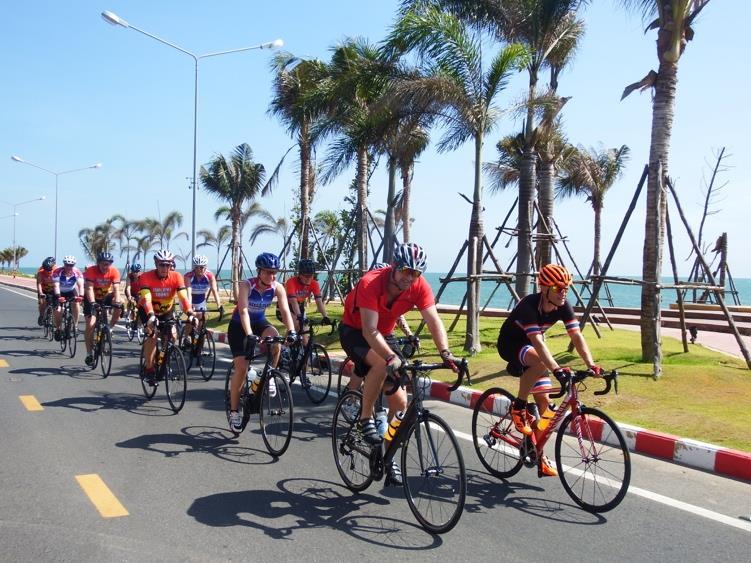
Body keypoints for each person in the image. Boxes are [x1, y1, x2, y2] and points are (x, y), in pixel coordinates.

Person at [338, 243, 460, 486]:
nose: (410, 277)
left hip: (385, 333)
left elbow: (433, 320)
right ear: (394, 267)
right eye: (405, 270)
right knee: (382, 365)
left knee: (402, 403)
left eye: (416, 273)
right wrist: (391, 357)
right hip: (355, 331)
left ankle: (387, 454)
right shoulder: (371, 282)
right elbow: (369, 330)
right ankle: (364, 419)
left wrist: (446, 353)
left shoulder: (419, 286)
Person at [497, 263, 603, 478]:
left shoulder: (563, 306)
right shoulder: (529, 305)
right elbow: (538, 342)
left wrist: (591, 364)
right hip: (511, 345)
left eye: (566, 288)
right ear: (544, 289)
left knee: (547, 412)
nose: (563, 293)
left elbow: (576, 336)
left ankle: (537, 453)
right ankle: (519, 406)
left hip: (534, 353)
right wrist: (556, 369)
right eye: (558, 288)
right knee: (543, 362)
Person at [227, 252, 296, 433]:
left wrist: (292, 331)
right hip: (238, 326)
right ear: (259, 271)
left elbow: (286, 311)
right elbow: (242, 311)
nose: (271, 276)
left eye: (274, 272)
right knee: (241, 368)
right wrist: (249, 334)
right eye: (267, 272)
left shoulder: (277, 287)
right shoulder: (247, 285)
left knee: (275, 340)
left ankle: (269, 376)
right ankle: (234, 411)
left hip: (259, 322)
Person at [342, 261, 418, 392]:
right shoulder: (367, 290)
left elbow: (398, 316)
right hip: (359, 333)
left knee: (398, 371)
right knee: (365, 367)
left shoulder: (393, 295)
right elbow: (367, 327)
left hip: (382, 334)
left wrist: (410, 334)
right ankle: (351, 397)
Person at [137, 249, 196, 385]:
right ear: (156, 264)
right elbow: (146, 298)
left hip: (166, 310)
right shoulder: (146, 277)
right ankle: (150, 369)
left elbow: (183, 297)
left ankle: (162, 360)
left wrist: (190, 313)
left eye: (168, 265)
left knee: (172, 336)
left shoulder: (176, 276)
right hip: (147, 309)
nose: (165, 268)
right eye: (162, 264)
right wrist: (151, 315)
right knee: (152, 335)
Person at [83, 251, 122, 367]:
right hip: (91, 299)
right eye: (103, 264)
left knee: (120, 305)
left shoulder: (114, 271)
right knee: (90, 325)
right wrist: (93, 303)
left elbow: (116, 288)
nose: (106, 266)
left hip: (105, 298)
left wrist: (118, 301)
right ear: (98, 263)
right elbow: (89, 289)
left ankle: (110, 327)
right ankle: (89, 353)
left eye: (108, 264)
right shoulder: (91, 271)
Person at [284, 258, 331, 338]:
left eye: (311, 275)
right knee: (295, 326)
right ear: (299, 274)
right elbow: (293, 302)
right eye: (306, 276)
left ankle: (304, 349)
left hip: (300, 307)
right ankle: (284, 347)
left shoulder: (314, 283)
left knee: (305, 337)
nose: (308, 278)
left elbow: (319, 301)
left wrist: (325, 316)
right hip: (287, 307)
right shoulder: (291, 282)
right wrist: (299, 316)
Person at [182, 255, 222, 345]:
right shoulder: (188, 276)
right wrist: (189, 306)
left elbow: (214, 290)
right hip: (188, 299)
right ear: (194, 268)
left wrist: (219, 306)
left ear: (206, 267)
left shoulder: (209, 276)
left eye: (202, 267)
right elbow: (189, 292)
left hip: (200, 300)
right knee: (191, 316)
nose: (200, 269)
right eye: (197, 267)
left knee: (202, 321)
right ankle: (186, 337)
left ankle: (199, 346)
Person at [52, 256, 84, 340]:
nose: (69, 267)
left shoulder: (77, 272)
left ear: (73, 265)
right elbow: (56, 286)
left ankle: (75, 326)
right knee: (58, 310)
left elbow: (81, 286)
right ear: (64, 264)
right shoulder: (57, 271)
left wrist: (81, 296)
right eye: (67, 265)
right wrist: (59, 297)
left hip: (71, 291)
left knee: (76, 304)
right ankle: (58, 328)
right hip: (59, 292)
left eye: (71, 265)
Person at [35, 256, 56, 325]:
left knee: (55, 304)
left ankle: (51, 317)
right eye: (45, 269)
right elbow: (39, 284)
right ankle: (41, 315)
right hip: (43, 289)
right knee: (42, 302)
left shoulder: (56, 271)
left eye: (49, 270)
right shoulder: (40, 272)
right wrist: (41, 293)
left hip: (53, 289)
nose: (47, 271)